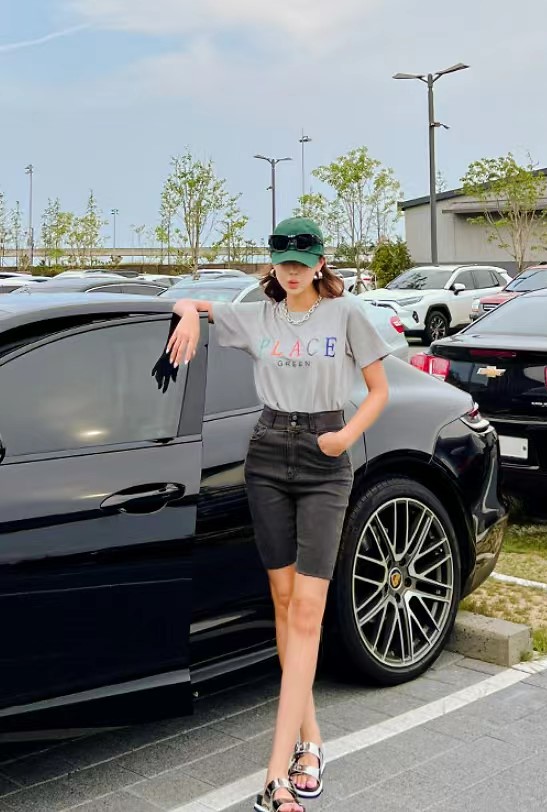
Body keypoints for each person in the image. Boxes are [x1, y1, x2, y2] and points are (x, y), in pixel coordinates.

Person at [167, 217, 389, 812]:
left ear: (320, 264)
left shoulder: (345, 314)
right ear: (272, 264)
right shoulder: (259, 316)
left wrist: (344, 438)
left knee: (308, 612)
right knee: (286, 605)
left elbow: (379, 391)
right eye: (283, 262)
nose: (292, 272)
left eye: (302, 262)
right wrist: (187, 312)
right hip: (266, 454)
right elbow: (193, 303)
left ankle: (276, 774)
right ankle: (311, 741)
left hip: (325, 458)